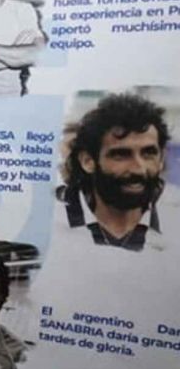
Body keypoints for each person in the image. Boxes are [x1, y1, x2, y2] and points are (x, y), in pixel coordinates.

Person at [56, 93, 171, 252]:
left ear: (161, 158)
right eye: (121, 155)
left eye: (148, 153)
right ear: (88, 161)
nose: (138, 168)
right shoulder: (52, 224)